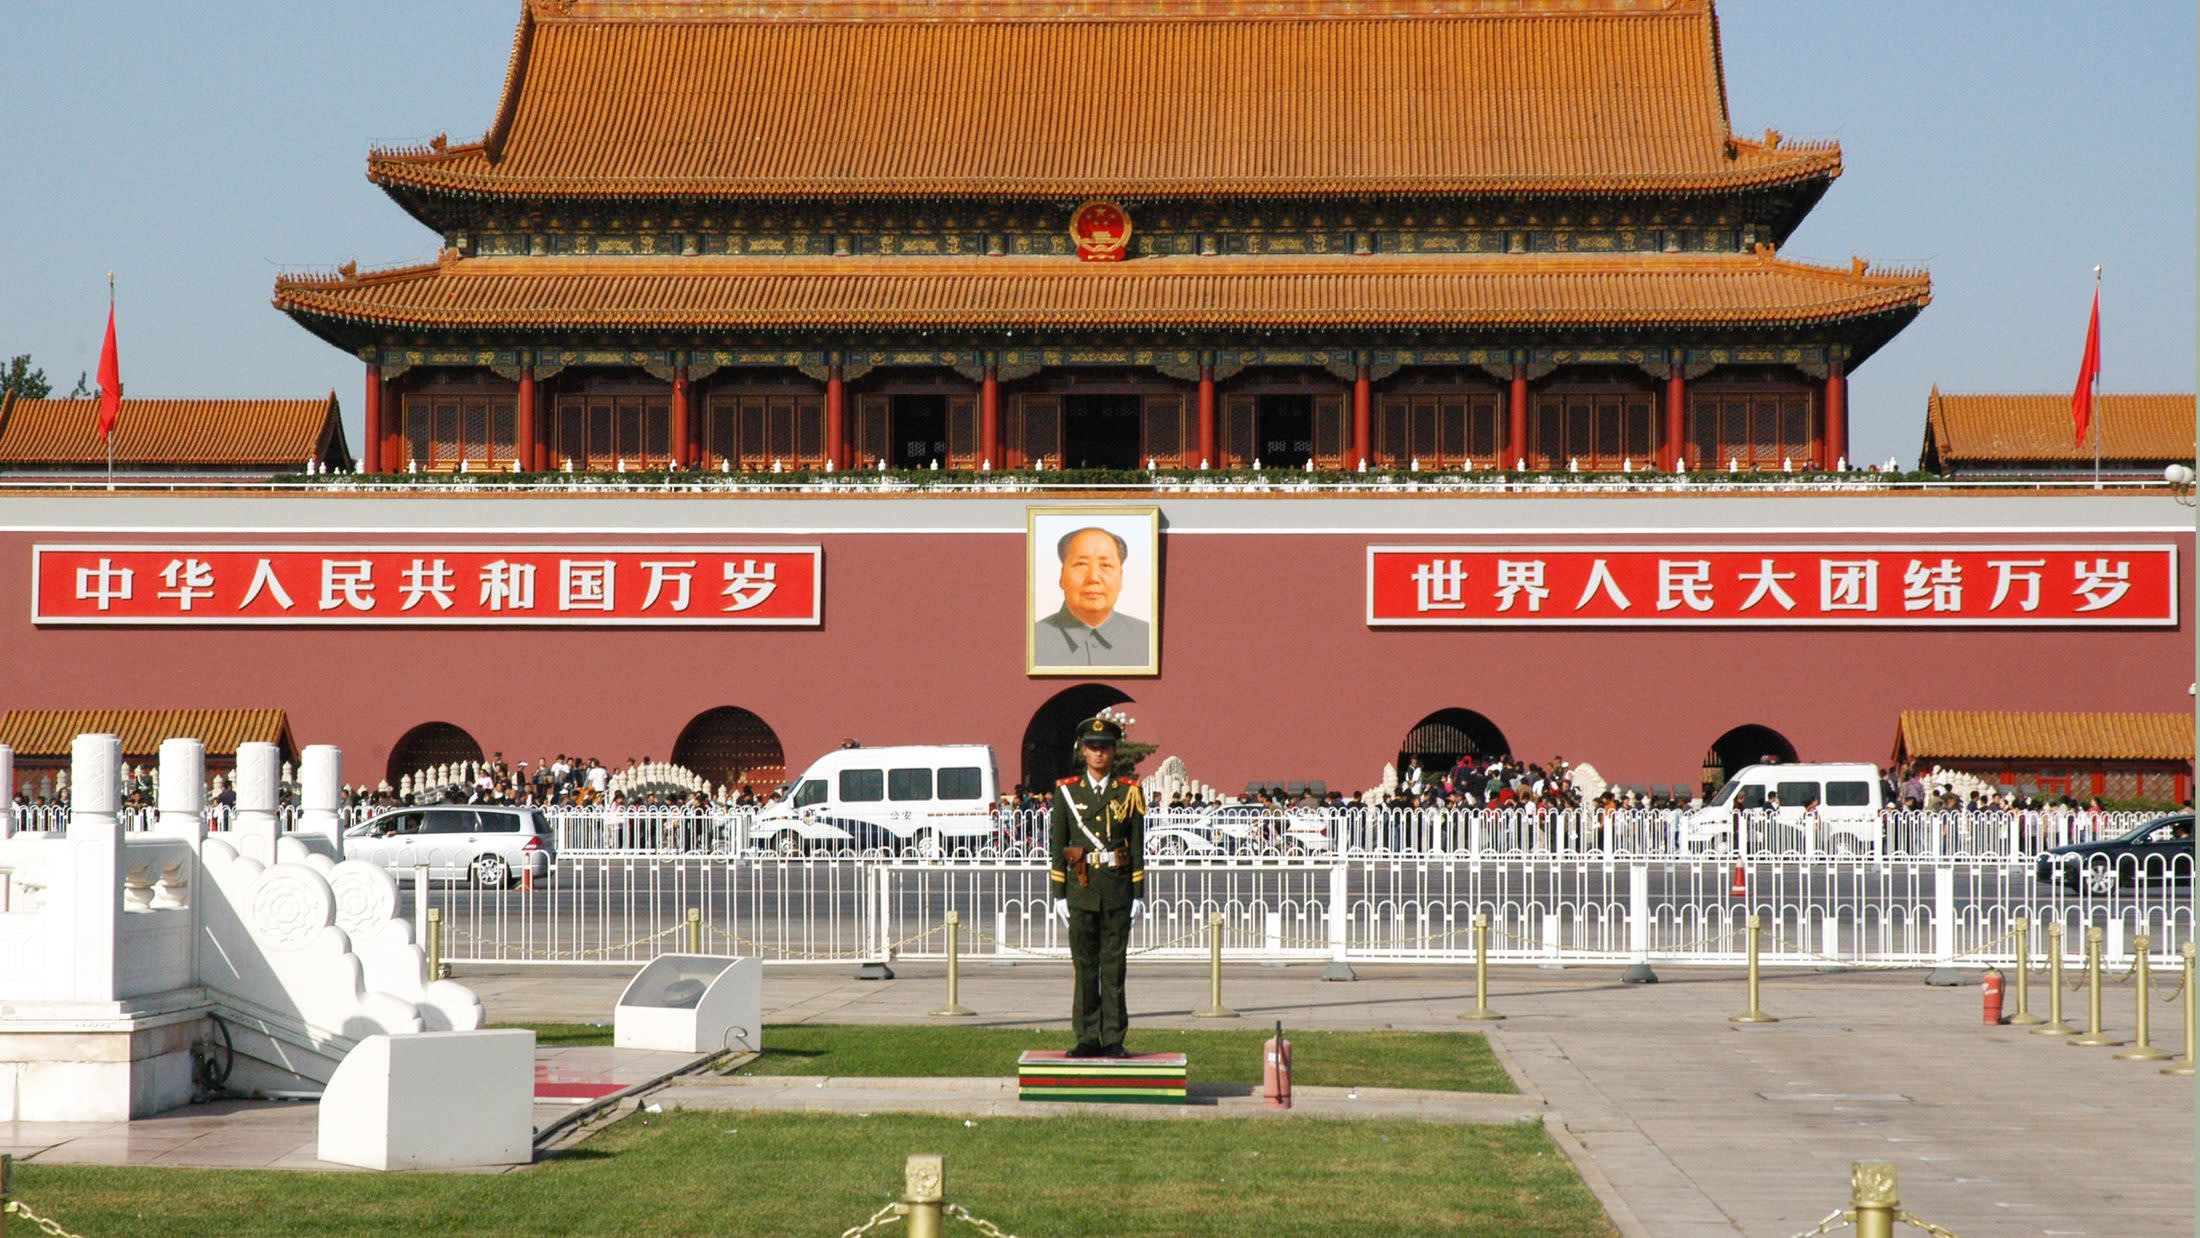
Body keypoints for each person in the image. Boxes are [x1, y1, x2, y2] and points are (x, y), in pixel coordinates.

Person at [1049, 715, 1146, 1057]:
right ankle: (1087, 1036)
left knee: (1114, 968)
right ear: (1083, 751)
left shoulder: (1129, 792)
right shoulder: (1067, 792)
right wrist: (1058, 894)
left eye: (1105, 747)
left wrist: (1138, 893)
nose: (1099, 753)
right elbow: (1057, 844)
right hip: (1081, 889)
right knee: (1085, 967)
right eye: (1093, 747)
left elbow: (1136, 846)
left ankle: (1114, 1038)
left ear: (1114, 750)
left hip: (1117, 890)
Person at [1032, 526, 1151, 668]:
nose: (1093, 578)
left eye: (1106, 565)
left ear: (1121, 577)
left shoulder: (1148, 639)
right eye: (1081, 564)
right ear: (1062, 576)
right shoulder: (1031, 640)